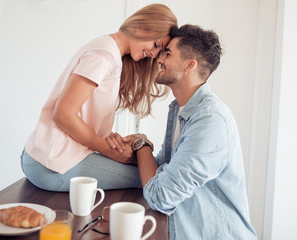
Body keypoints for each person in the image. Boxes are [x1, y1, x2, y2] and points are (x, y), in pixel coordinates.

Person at [107, 25, 257, 239]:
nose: (158, 59)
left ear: (189, 65)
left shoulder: (210, 120)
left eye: (167, 53)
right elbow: (164, 170)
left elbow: (162, 196)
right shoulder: (179, 109)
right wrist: (134, 148)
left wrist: (141, 145)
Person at [20, 4, 177, 192]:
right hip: (50, 166)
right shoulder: (105, 54)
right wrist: (109, 151)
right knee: (149, 179)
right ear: (141, 27)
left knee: (146, 169)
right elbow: (63, 115)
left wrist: (111, 141)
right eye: (156, 45)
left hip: (46, 157)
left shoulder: (109, 52)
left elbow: (80, 112)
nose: (153, 54)